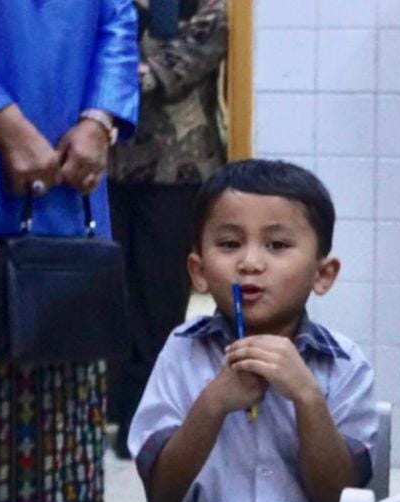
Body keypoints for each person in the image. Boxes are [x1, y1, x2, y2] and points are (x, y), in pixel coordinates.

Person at [0, 0, 138, 502]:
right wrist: (2, 122)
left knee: (64, 356)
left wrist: (100, 119)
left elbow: (118, 16)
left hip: (69, 178)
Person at [127, 160, 377, 502]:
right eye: (229, 244)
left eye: (277, 245)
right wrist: (212, 403)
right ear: (198, 271)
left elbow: (337, 501)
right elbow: (162, 494)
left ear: (323, 274)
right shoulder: (182, 350)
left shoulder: (344, 364)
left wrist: (307, 397)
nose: (250, 263)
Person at [108, 0, 228, 459]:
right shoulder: (117, 6)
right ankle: (115, 408)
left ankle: (144, 417)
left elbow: (170, 73)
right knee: (113, 294)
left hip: (178, 173)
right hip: (112, 169)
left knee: (160, 298)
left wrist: (112, 72)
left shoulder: (211, 8)